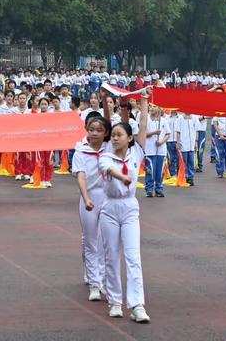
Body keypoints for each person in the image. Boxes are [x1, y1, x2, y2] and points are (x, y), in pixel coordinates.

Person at [98, 87, 151, 321]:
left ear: (129, 138)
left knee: (133, 256)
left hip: (129, 207)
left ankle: (137, 304)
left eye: (120, 134)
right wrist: (107, 102)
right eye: (113, 135)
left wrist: (144, 100)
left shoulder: (136, 152)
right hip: (109, 208)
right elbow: (107, 169)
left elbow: (143, 127)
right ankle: (115, 301)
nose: (115, 137)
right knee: (111, 256)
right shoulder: (106, 155)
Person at [72, 116, 110, 302]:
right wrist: (86, 198)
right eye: (91, 129)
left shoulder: (109, 149)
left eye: (99, 130)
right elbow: (81, 176)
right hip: (89, 198)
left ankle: (102, 280)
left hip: (107, 198)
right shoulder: (81, 151)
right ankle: (94, 284)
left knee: (105, 241)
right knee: (90, 240)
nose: (94, 133)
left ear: (105, 133)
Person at [144, 106, 170, 197]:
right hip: (150, 149)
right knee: (150, 170)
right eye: (150, 106)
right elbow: (143, 134)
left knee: (160, 171)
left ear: (159, 109)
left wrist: (162, 141)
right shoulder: (146, 120)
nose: (151, 108)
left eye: (154, 107)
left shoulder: (163, 121)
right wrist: (154, 133)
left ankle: (159, 189)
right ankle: (149, 189)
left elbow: (168, 134)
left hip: (161, 150)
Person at [176, 112, 200, 186]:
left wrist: (196, 142)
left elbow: (196, 131)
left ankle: (191, 177)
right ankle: (185, 176)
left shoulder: (194, 117)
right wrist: (178, 142)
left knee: (191, 162)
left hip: (191, 143)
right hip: (183, 143)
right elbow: (178, 131)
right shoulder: (180, 118)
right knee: (184, 161)